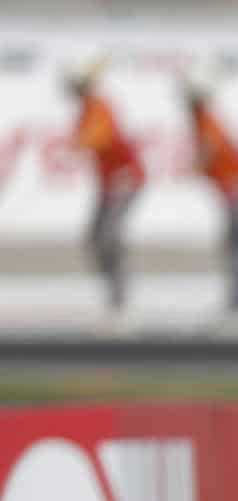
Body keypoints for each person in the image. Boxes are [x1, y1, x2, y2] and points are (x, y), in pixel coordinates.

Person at [65, 57, 144, 319]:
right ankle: (114, 291)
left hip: (124, 178)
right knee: (95, 238)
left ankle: (119, 298)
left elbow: (100, 136)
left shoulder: (99, 106)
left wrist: (82, 142)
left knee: (110, 236)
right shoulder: (88, 107)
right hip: (109, 181)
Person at [183, 66, 238, 318]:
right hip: (236, 187)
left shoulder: (205, 118)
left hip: (236, 188)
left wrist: (198, 165)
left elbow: (211, 146)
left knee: (236, 243)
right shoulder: (206, 118)